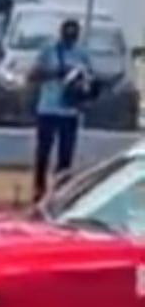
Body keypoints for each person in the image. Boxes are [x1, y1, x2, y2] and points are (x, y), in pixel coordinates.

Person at [30, 17, 93, 203]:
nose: (70, 38)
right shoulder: (48, 50)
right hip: (48, 108)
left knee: (66, 154)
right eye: (68, 34)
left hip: (70, 110)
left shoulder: (82, 53)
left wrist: (82, 87)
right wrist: (56, 73)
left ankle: (61, 191)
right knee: (43, 151)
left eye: (74, 35)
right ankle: (39, 188)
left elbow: (89, 78)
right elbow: (33, 75)